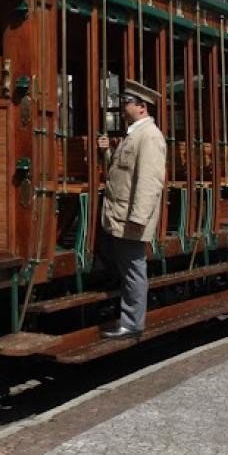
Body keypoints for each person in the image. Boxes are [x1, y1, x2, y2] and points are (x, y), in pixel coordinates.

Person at [95, 79, 166, 339]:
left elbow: (149, 181)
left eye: (126, 102)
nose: (122, 106)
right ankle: (128, 318)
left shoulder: (149, 136)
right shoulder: (135, 134)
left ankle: (132, 323)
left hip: (129, 218)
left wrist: (138, 218)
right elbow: (121, 171)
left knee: (134, 270)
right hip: (118, 216)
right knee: (125, 266)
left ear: (141, 106)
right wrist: (106, 153)